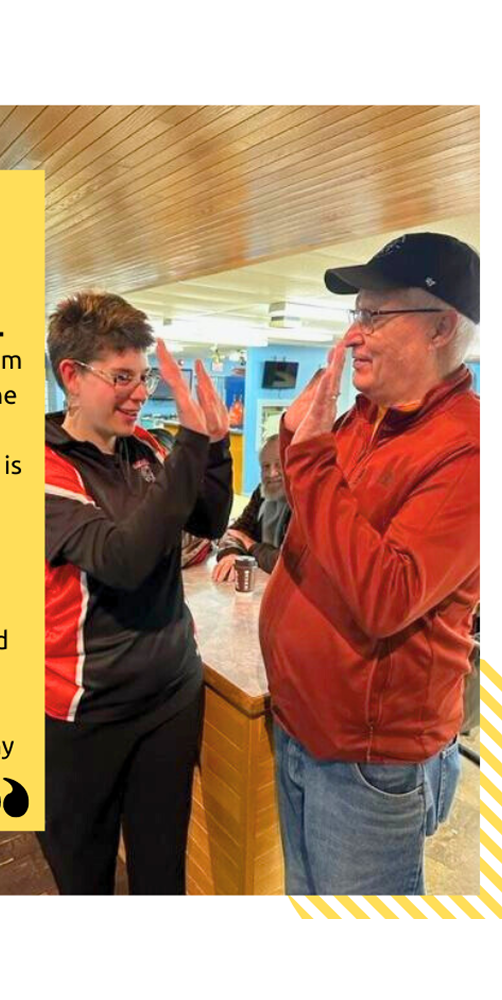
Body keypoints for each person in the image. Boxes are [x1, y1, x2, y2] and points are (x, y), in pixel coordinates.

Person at [259, 232, 479, 894]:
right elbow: (325, 535)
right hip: (302, 729)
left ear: (441, 327)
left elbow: (387, 595)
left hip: (367, 764)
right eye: (357, 314)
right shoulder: (363, 419)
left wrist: (308, 455)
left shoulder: (470, 451)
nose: (355, 334)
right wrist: (296, 440)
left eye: (376, 315)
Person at [43, 291, 232, 894]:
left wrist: (215, 446)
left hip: (169, 697)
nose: (140, 393)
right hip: (83, 713)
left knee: (161, 875)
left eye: (144, 377)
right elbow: (121, 559)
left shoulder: (146, 447)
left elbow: (207, 519)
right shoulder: (42, 467)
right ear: (72, 376)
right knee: (86, 881)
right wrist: (192, 445)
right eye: (121, 377)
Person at [212, 434, 289, 581]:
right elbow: (236, 531)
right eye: (266, 466)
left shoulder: (306, 503)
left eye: (279, 465)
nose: (271, 474)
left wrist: (250, 545)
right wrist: (232, 553)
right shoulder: (262, 493)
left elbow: (289, 564)